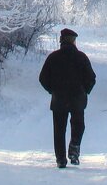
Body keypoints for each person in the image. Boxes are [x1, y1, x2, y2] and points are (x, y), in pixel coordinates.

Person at [38, 28, 96, 168]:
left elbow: (43, 78)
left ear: (61, 41)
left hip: (59, 100)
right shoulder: (81, 57)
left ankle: (60, 160)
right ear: (73, 41)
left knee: (59, 130)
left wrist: (52, 90)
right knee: (78, 126)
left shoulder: (53, 57)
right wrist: (85, 91)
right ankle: (74, 150)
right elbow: (91, 78)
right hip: (78, 99)